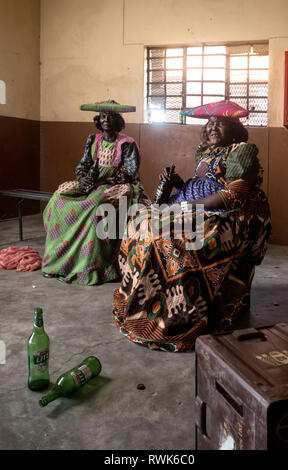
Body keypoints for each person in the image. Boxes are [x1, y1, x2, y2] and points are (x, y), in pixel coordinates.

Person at [112, 100, 271, 351]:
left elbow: (233, 195)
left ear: (235, 127)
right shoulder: (205, 151)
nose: (213, 127)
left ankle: (176, 315)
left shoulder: (243, 150)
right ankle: (143, 304)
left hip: (226, 212)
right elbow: (202, 181)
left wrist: (188, 207)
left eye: (220, 123)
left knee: (167, 237)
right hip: (192, 201)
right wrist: (177, 183)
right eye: (210, 123)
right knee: (139, 223)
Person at [42, 100, 149, 285]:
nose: (106, 119)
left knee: (96, 204)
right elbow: (83, 164)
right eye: (103, 116)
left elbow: (130, 172)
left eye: (110, 116)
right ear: (98, 120)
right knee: (59, 198)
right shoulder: (93, 140)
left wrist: (104, 181)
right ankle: (58, 262)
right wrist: (83, 178)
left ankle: (90, 264)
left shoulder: (127, 143)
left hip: (118, 185)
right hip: (92, 183)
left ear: (118, 120)